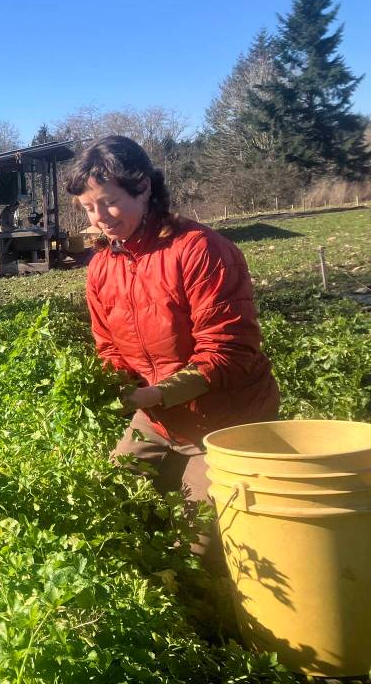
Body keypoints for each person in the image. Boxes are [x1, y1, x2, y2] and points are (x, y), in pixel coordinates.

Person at [67, 135, 279, 563]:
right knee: (109, 506)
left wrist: (156, 394)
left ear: (143, 186)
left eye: (107, 202)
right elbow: (108, 346)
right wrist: (115, 387)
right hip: (159, 416)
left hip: (226, 419)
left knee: (195, 547)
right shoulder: (103, 267)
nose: (99, 218)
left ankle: (213, 615)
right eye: (88, 208)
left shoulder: (199, 250)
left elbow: (229, 352)